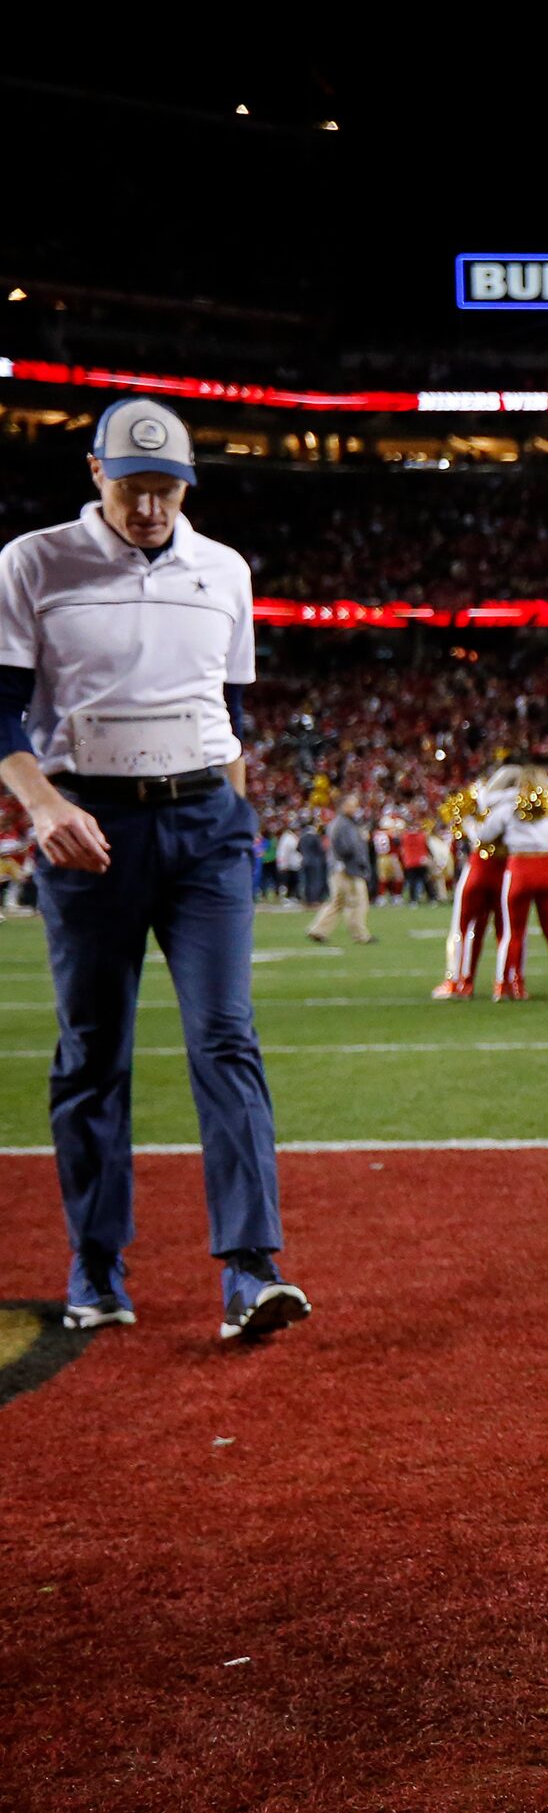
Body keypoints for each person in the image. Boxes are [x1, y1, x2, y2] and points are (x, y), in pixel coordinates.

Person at [0, 396, 309, 1341]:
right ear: (95, 474)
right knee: (94, 1052)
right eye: (132, 488)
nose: (149, 508)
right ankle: (97, 1266)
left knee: (226, 1037)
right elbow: (2, 716)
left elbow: (232, 714)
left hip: (207, 827)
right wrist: (45, 806)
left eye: (166, 488)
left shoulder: (225, 570)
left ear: (187, 484)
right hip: (88, 828)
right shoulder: (33, 561)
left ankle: (250, 1273)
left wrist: (240, 811)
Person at [480, 767, 548, 1001]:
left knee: (512, 933)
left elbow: (485, 835)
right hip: (546, 868)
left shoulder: (508, 808)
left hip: (519, 868)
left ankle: (505, 984)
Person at [432, 773, 506, 1001]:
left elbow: (478, 836)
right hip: (507, 869)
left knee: (462, 928)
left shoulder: (478, 794)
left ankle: (458, 981)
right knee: (509, 931)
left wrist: (466, 821)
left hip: (479, 867)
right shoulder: (518, 798)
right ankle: (509, 982)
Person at [308, 793, 375, 944]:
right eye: (352, 805)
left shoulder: (344, 823)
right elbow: (344, 848)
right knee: (358, 901)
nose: (355, 808)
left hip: (343, 867)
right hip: (347, 869)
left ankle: (318, 930)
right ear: (344, 806)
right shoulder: (343, 824)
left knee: (338, 902)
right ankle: (360, 935)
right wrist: (358, 854)